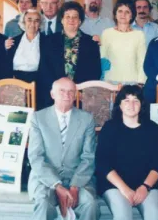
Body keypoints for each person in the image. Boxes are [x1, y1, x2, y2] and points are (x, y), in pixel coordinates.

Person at [28, 77, 99, 220]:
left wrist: (74, 186)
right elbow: (36, 157)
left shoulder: (86, 119)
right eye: (62, 91)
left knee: (90, 204)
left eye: (71, 91)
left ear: (76, 95)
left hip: (77, 176)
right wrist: (57, 186)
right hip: (45, 178)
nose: (67, 95)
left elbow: (89, 157)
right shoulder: (38, 118)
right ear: (52, 94)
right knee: (42, 202)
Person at [96, 85, 158, 220]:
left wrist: (145, 187)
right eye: (126, 100)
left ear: (142, 104)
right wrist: (124, 189)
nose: (131, 104)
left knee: (155, 216)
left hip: (146, 184)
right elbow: (103, 163)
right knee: (123, 214)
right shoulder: (109, 127)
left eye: (136, 100)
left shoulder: (152, 128)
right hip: (115, 185)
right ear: (120, 105)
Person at [40, 1, 101, 108]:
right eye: (67, 16)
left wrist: (82, 90)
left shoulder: (91, 43)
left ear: (80, 21)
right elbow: (44, 69)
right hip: (55, 96)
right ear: (62, 20)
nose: (71, 20)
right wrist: (58, 90)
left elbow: (95, 71)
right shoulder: (49, 41)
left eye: (75, 17)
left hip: (81, 97)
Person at [101, 0, 147, 85]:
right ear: (115, 14)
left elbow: (142, 61)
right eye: (120, 11)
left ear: (132, 15)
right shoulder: (106, 33)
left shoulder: (139, 35)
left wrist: (140, 83)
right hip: (110, 82)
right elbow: (103, 59)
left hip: (133, 83)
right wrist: (105, 82)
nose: (123, 15)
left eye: (127, 12)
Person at [6, 9, 44, 97]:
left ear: (40, 24)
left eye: (36, 21)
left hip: (38, 85)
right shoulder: (13, 41)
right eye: (29, 20)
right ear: (23, 22)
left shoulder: (47, 42)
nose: (32, 24)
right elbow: (6, 65)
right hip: (14, 83)